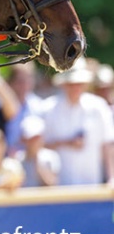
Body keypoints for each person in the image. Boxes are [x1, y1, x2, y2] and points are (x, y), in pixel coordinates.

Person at [43, 57, 114, 186]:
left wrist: (111, 177)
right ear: (63, 84)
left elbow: (107, 145)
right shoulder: (49, 109)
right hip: (59, 188)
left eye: (78, 83)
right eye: (71, 84)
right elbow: (41, 146)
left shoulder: (98, 107)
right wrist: (65, 143)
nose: (75, 87)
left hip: (92, 185)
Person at [14, 115, 60, 187]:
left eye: (36, 139)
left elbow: (52, 185)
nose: (33, 142)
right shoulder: (18, 159)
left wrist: (37, 161)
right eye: (30, 139)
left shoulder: (51, 157)